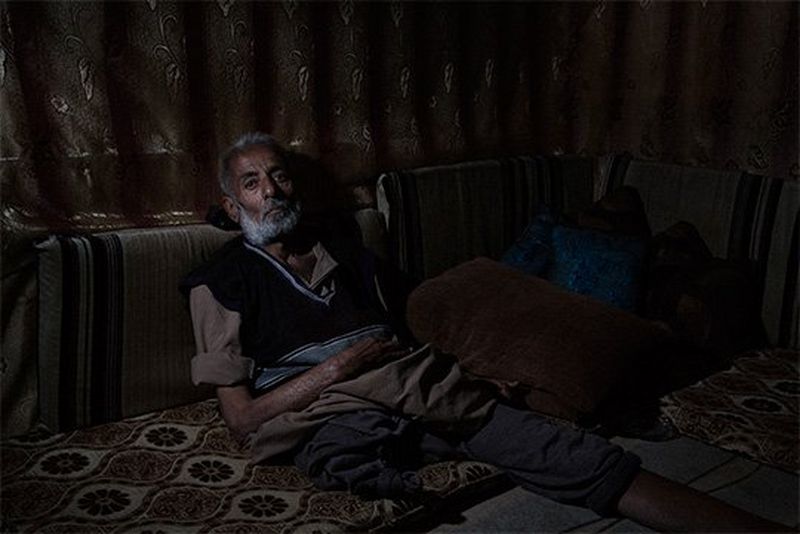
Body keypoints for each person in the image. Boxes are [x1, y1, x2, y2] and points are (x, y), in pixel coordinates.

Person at [181, 132, 784, 532]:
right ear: (234, 207)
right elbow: (242, 419)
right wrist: (342, 368)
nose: (272, 192)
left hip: (412, 385)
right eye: (253, 184)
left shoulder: (345, 251)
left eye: (279, 176)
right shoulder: (221, 282)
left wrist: (461, 374)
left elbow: (403, 340)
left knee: (569, 455)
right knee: (349, 438)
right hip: (330, 404)